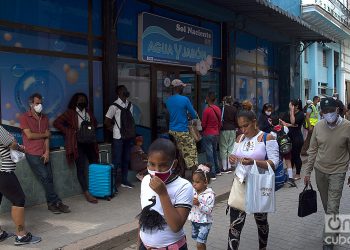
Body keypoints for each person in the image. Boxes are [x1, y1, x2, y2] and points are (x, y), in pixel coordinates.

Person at [228, 110, 279, 250]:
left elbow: (274, 163)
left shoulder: (267, 138)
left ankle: (263, 247)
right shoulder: (239, 138)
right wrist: (231, 159)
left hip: (258, 185)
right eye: (240, 127)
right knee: (235, 225)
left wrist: (254, 162)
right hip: (240, 184)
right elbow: (234, 159)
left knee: (261, 222)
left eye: (246, 125)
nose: (243, 130)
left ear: (254, 122)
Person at [304, 97, 350, 250]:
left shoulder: (347, 127)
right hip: (320, 170)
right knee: (327, 206)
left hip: (339, 170)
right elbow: (313, 150)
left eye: (331, 111)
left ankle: (328, 242)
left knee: (332, 206)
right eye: (325, 112)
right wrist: (307, 172)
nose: (328, 114)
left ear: (338, 110)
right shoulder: (318, 126)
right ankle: (334, 227)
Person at [138, 138, 193, 249]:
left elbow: (176, 226)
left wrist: (163, 194)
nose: (156, 170)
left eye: (163, 165)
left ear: (173, 164)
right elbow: (144, 215)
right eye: (152, 164)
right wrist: (139, 243)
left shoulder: (183, 186)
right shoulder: (145, 181)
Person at [20, 93, 70, 214]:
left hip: (44, 152)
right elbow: (30, 135)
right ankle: (57, 201)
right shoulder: (24, 117)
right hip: (32, 152)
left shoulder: (45, 118)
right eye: (37, 103)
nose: (39, 105)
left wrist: (47, 151)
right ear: (31, 104)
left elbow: (47, 137)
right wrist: (45, 135)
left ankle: (51, 205)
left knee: (49, 178)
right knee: (45, 177)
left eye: (41, 103)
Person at [54, 93, 99, 203]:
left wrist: (90, 131)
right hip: (77, 144)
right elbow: (57, 122)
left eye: (84, 99)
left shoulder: (88, 112)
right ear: (75, 101)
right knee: (81, 168)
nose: (82, 101)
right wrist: (70, 132)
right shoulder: (70, 113)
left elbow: (95, 123)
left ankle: (98, 190)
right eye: (80, 99)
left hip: (90, 143)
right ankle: (87, 193)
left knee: (95, 165)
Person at [0, 125, 41, 245]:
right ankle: (21, 236)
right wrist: (20, 148)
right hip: (3, 171)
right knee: (19, 199)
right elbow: (11, 145)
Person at [105, 85, 135, 191]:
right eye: (123, 91)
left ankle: (124, 180)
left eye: (126, 90)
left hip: (128, 136)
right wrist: (114, 130)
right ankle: (112, 184)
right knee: (116, 160)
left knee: (126, 159)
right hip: (118, 137)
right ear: (118, 93)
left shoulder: (130, 105)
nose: (125, 92)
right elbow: (107, 121)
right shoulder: (114, 106)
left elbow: (130, 120)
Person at [165, 79, 198, 173]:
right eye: (182, 87)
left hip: (172, 130)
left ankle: (182, 173)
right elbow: (193, 114)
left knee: (180, 152)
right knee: (191, 152)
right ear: (178, 88)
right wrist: (187, 115)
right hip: (182, 130)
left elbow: (169, 114)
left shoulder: (168, 100)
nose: (183, 88)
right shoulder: (185, 99)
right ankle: (194, 175)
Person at [188, 164, 215, 250]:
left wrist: (199, 204)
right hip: (194, 220)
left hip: (205, 222)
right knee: (198, 242)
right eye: (193, 181)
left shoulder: (210, 195)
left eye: (197, 182)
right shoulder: (193, 191)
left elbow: (209, 210)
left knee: (200, 242)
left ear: (205, 182)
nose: (194, 184)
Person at [280, 99, 304, 180]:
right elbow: (282, 121)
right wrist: (286, 124)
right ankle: (290, 173)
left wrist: (292, 112)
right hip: (288, 137)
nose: (290, 107)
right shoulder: (288, 113)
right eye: (290, 105)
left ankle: (298, 174)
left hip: (297, 138)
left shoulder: (300, 114)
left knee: (296, 156)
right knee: (291, 156)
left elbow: (293, 122)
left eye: (291, 105)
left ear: (296, 106)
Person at [270, 114, 296, 187]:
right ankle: (290, 178)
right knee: (288, 162)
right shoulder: (284, 128)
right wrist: (282, 123)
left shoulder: (272, 132)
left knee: (279, 164)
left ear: (271, 122)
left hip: (278, 150)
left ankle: (280, 178)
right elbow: (286, 128)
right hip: (286, 148)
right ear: (279, 121)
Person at [201, 92, 222, 180]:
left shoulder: (206, 110)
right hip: (216, 133)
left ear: (208, 99)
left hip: (208, 133)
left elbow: (203, 124)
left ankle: (212, 172)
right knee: (214, 152)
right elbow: (220, 121)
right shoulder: (218, 109)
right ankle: (217, 170)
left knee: (209, 153)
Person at [219, 96, 238, 173]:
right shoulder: (234, 109)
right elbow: (236, 120)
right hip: (232, 129)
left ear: (225, 101)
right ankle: (229, 166)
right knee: (230, 147)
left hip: (224, 129)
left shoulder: (222, 108)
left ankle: (224, 167)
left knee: (223, 147)